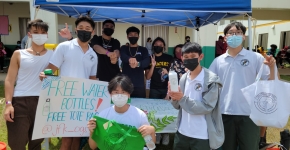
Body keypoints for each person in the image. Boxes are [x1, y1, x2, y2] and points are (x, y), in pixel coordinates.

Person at [209, 21, 276, 150]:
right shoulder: (218, 61)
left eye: (238, 32)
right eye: (231, 33)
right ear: (225, 37)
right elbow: (209, 85)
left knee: (249, 147)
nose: (235, 35)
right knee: (227, 147)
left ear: (244, 36)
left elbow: (271, 82)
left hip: (249, 114)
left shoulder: (255, 58)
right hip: (225, 113)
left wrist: (272, 67)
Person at [39, 15, 98, 150]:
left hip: (82, 101)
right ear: (76, 30)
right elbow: (51, 69)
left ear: (93, 32)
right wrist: (44, 74)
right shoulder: (64, 47)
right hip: (65, 99)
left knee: (77, 135)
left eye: (88, 28)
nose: (84, 30)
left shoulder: (93, 55)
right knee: (66, 138)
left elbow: (92, 79)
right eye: (81, 28)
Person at [4, 19, 53, 150]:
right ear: (29, 34)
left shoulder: (53, 55)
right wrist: (8, 104)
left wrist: (50, 77)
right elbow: (9, 80)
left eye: (43, 32)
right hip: (20, 101)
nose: (40, 35)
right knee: (17, 142)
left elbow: (56, 76)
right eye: (36, 32)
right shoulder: (19, 54)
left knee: (36, 142)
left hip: (43, 102)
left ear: (47, 35)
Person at [168, 42, 224, 150]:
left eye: (193, 56)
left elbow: (207, 107)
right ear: (182, 58)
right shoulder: (184, 78)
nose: (189, 60)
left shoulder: (211, 80)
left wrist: (181, 98)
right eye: (186, 57)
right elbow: (178, 106)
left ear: (201, 57)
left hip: (202, 136)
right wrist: (174, 97)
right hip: (182, 132)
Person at [87, 75, 156, 150]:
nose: (119, 96)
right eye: (116, 92)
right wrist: (92, 132)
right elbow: (93, 146)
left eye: (123, 92)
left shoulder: (139, 116)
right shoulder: (103, 116)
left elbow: (150, 146)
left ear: (129, 95)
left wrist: (152, 131)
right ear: (110, 94)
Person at [145, 37, 173, 145]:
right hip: (154, 89)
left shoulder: (169, 58)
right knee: (154, 113)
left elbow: (174, 75)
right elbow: (148, 77)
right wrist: (153, 65)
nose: (158, 46)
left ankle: (166, 134)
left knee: (166, 112)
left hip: (166, 89)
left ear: (164, 47)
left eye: (161, 44)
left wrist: (168, 72)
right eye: (156, 44)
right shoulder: (149, 58)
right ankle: (157, 133)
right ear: (153, 46)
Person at [120, 26, 150, 98]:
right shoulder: (124, 48)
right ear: (127, 37)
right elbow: (123, 57)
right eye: (131, 35)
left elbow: (147, 61)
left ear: (138, 36)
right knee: (125, 106)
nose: (133, 36)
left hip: (139, 85)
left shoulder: (143, 49)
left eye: (135, 35)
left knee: (140, 107)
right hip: (125, 84)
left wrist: (138, 64)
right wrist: (130, 59)